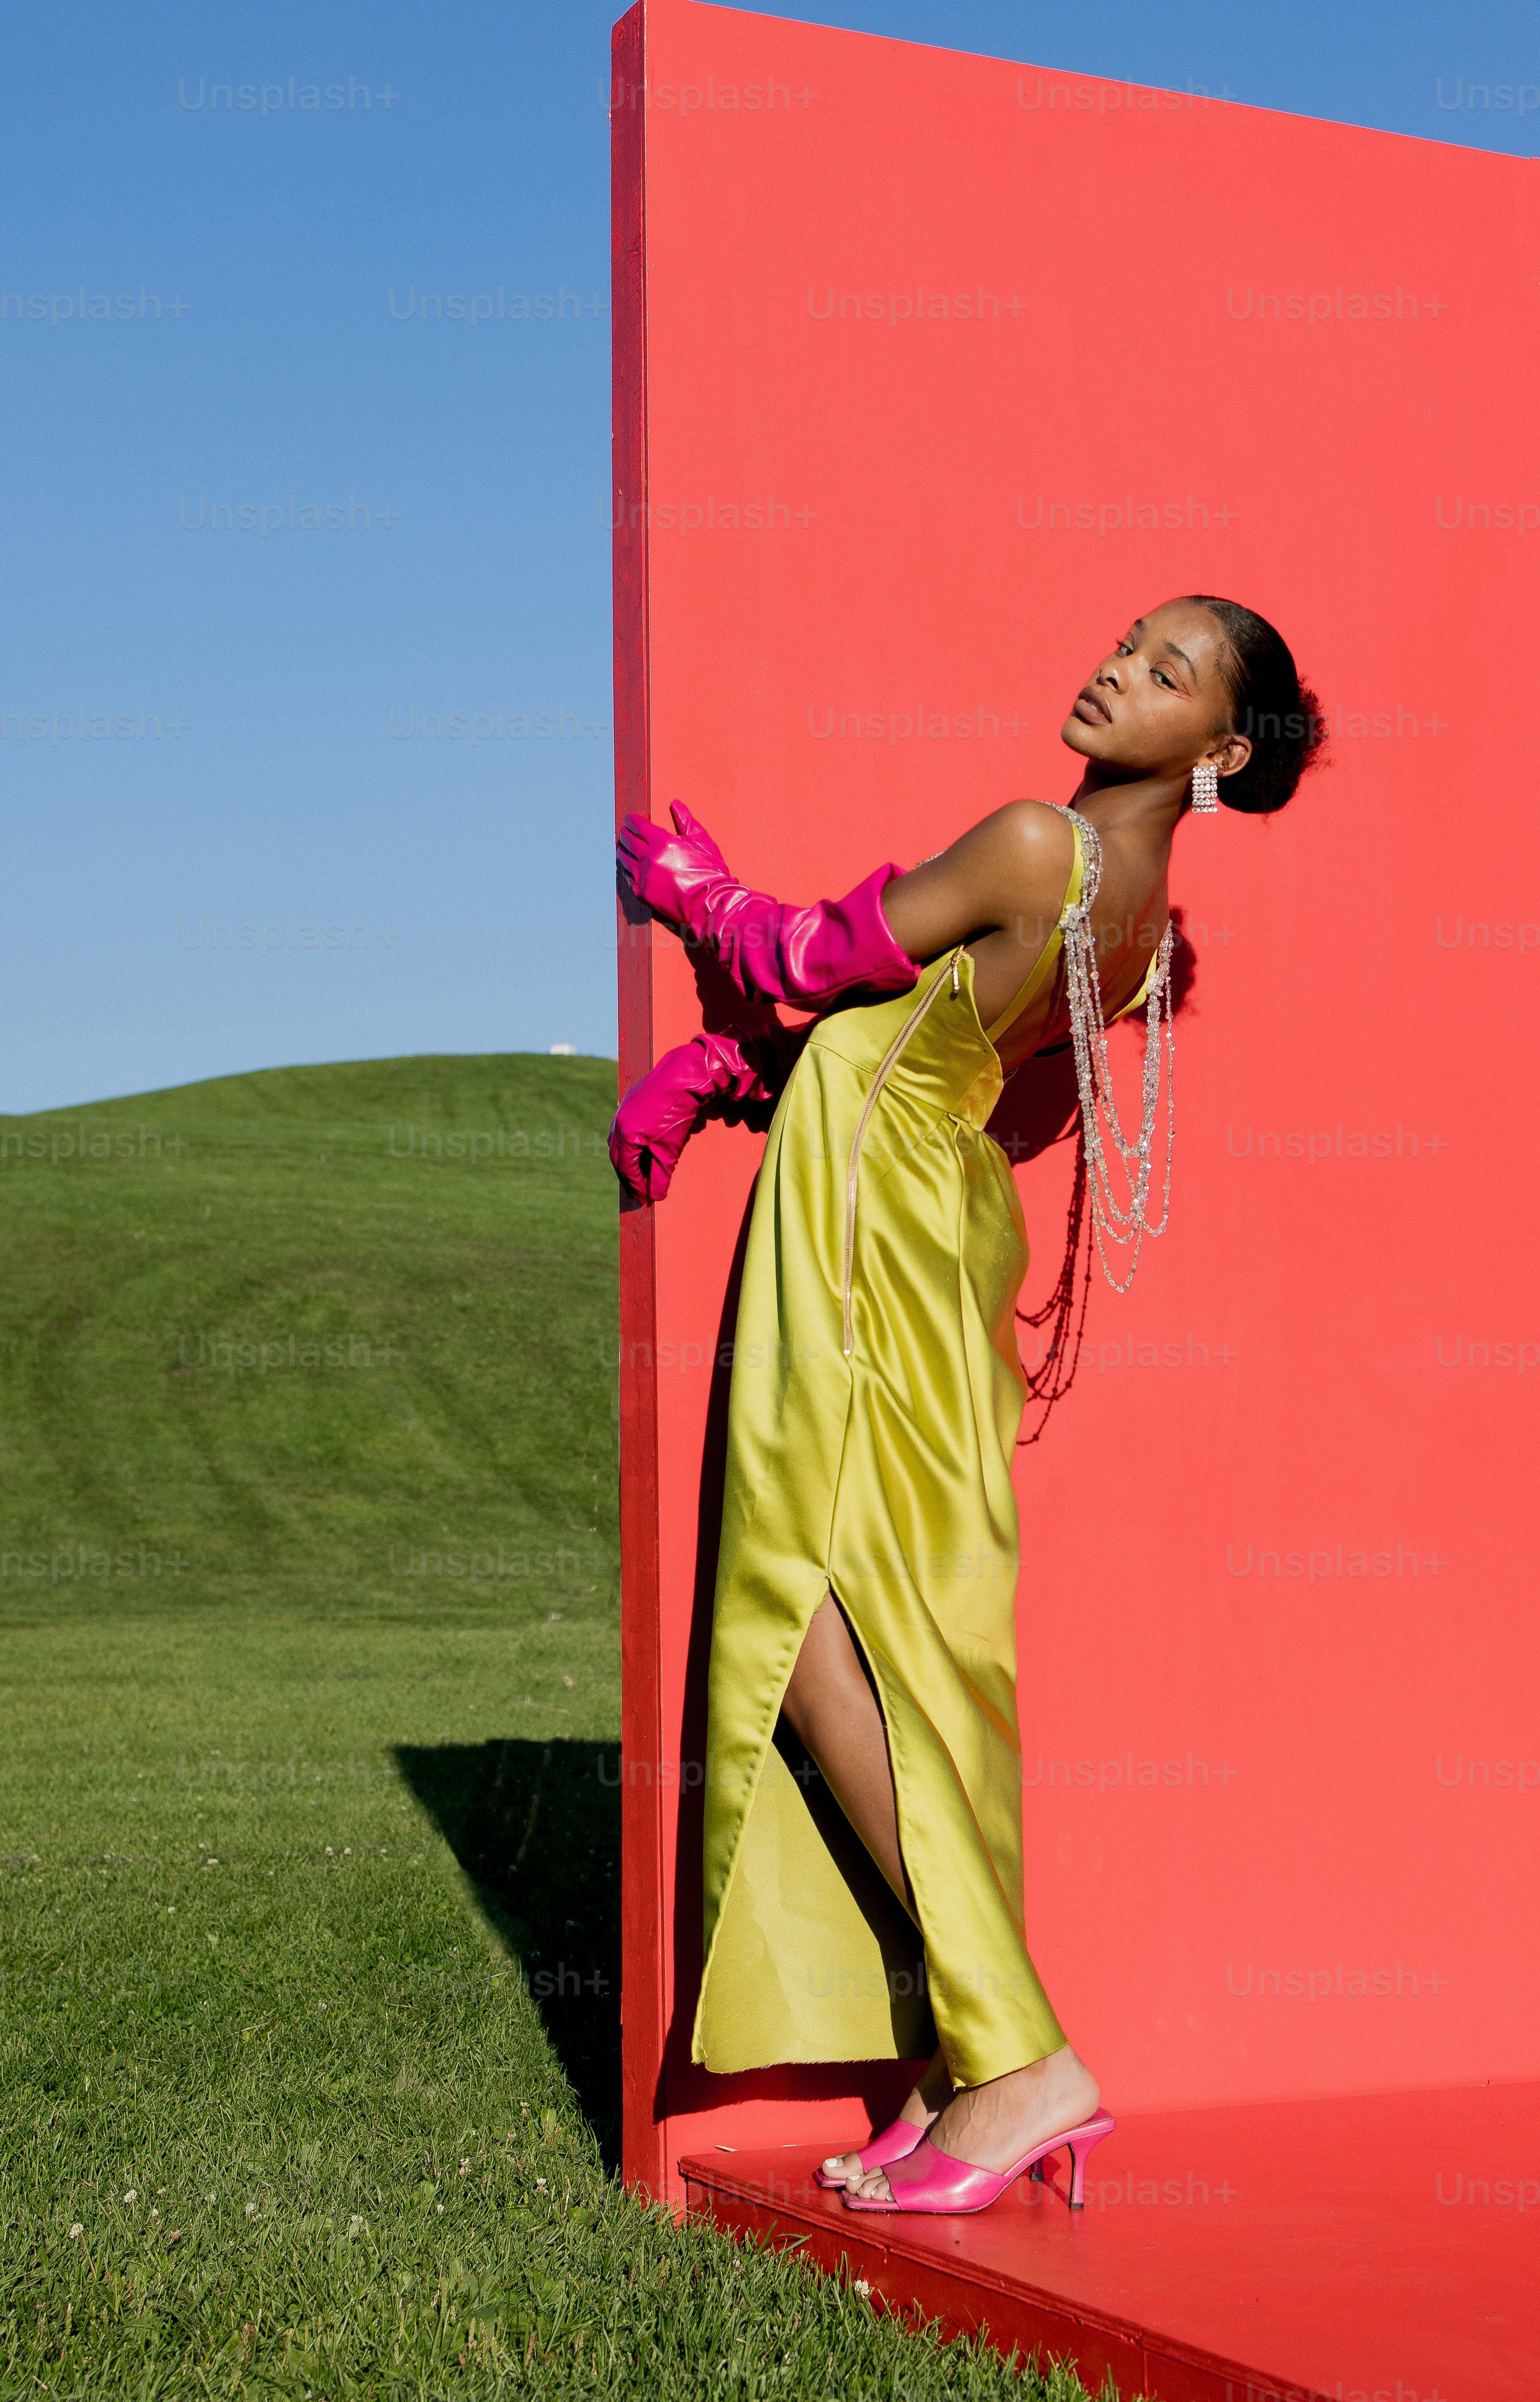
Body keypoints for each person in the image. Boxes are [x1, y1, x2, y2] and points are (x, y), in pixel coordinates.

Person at [612, 595, 1322, 2215]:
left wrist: (695, 899)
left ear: (1218, 750)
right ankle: (961, 2059)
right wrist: (734, 1082)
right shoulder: (1138, 920)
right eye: (1124, 642)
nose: (1110, 669)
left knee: (797, 1634)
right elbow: (940, 1073)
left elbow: (811, 957)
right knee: (914, 1653)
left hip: (861, 1249)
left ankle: (1019, 2063)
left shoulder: (1034, 845)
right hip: (926, 1243)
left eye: (1161, 674)